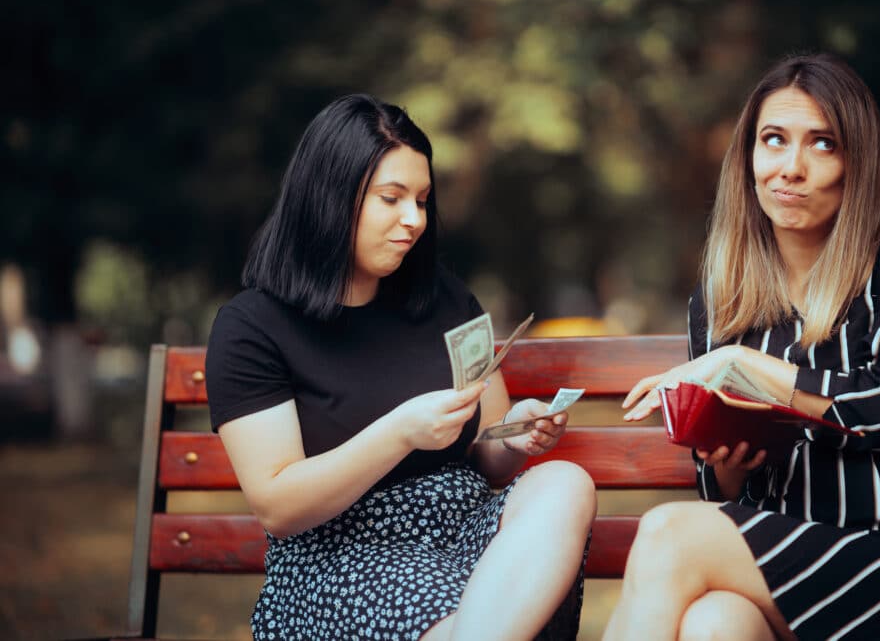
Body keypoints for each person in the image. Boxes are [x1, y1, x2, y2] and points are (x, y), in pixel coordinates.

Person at [605, 54, 880, 640]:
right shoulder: (721, 293)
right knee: (712, 624)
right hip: (770, 553)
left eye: (822, 144)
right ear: (748, 156)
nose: (790, 168)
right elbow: (717, 489)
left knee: (670, 532)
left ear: (857, 162)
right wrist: (725, 467)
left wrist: (745, 364)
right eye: (773, 140)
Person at [205, 94, 595, 641]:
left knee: (563, 482)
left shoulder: (449, 301)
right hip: (342, 557)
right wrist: (401, 432)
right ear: (329, 196)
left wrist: (513, 437)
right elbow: (279, 507)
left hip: (465, 534)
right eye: (391, 198)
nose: (414, 220)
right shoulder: (253, 327)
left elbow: (487, 458)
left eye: (422, 200)